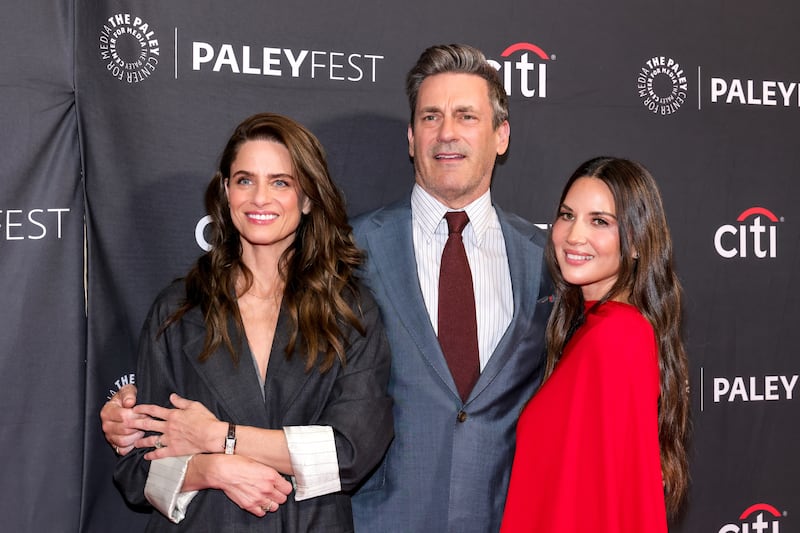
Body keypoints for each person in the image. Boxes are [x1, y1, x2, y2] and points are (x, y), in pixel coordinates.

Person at [103, 44, 551, 532]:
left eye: (466, 115)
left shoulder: (547, 262)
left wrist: (219, 439)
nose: (446, 132)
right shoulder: (349, 255)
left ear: (501, 135)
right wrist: (168, 443)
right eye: (430, 116)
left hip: (498, 513)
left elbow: (352, 445)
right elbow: (142, 455)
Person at [112, 112, 394, 532]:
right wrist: (210, 470)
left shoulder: (349, 311)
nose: (260, 198)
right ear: (226, 192)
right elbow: (139, 468)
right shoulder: (179, 309)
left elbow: (350, 452)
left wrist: (219, 438)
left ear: (308, 198)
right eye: (245, 180)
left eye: (281, 182)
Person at [500, 157, 690, 532]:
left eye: (599, 221)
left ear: (637, 242)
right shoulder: (594, 328)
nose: (574, 235)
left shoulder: (615, 339)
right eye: (567, 215)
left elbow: (613, 504)